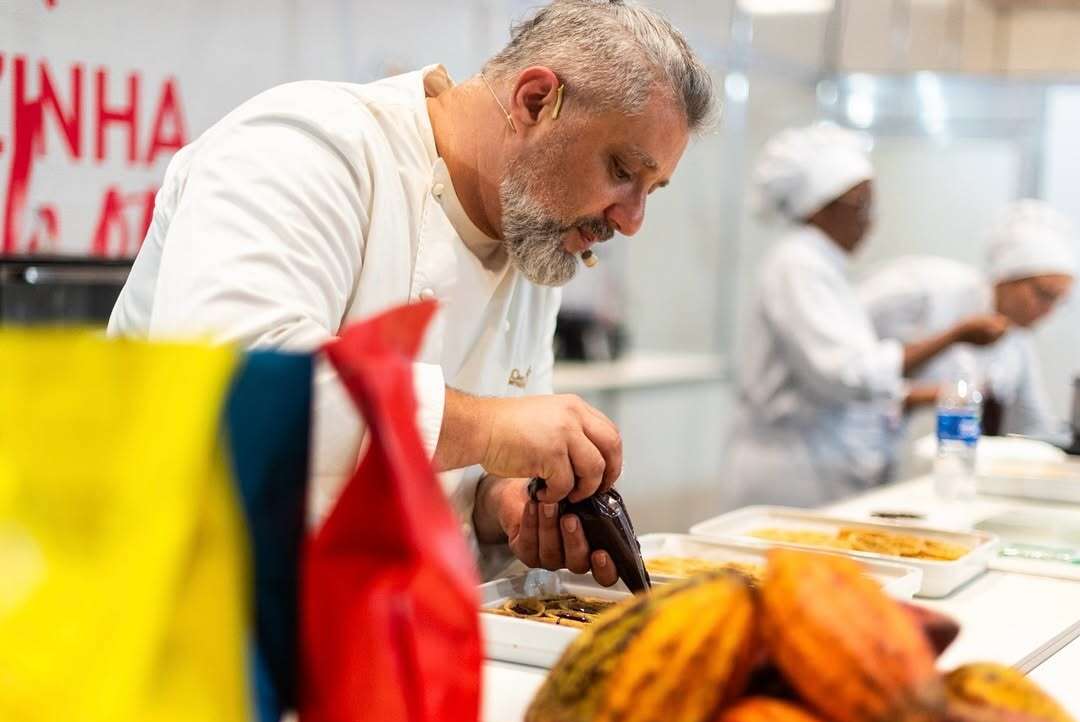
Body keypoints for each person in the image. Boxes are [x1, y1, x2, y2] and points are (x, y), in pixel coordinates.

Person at [107, 0, 714, 583]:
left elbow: (453, 472)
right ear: (536, 101)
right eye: (621, 171)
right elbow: (238, 389)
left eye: (650, 190)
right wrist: (492, 431)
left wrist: (502, 503)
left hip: (379, 634)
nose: (631, 220)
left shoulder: (534, 231)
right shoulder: (307, 146)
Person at [725, 123, 1006, 509]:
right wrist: (953, 335)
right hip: (794, 472)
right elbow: (847, 374)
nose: (869, 220)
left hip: (820, 463)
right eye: (860, 205)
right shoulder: (798, 264)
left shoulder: (822, 266)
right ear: (820, 207)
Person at [862, 199, 1076, 447]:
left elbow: (1032, 423)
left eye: (1059, 301)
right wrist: (927, 390)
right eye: (1044, 295)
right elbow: (846, 369)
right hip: (850, 454)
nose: (1048, 311)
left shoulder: (1017, 340)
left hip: (945, 467)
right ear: (1007, 277)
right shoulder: (923, 288)